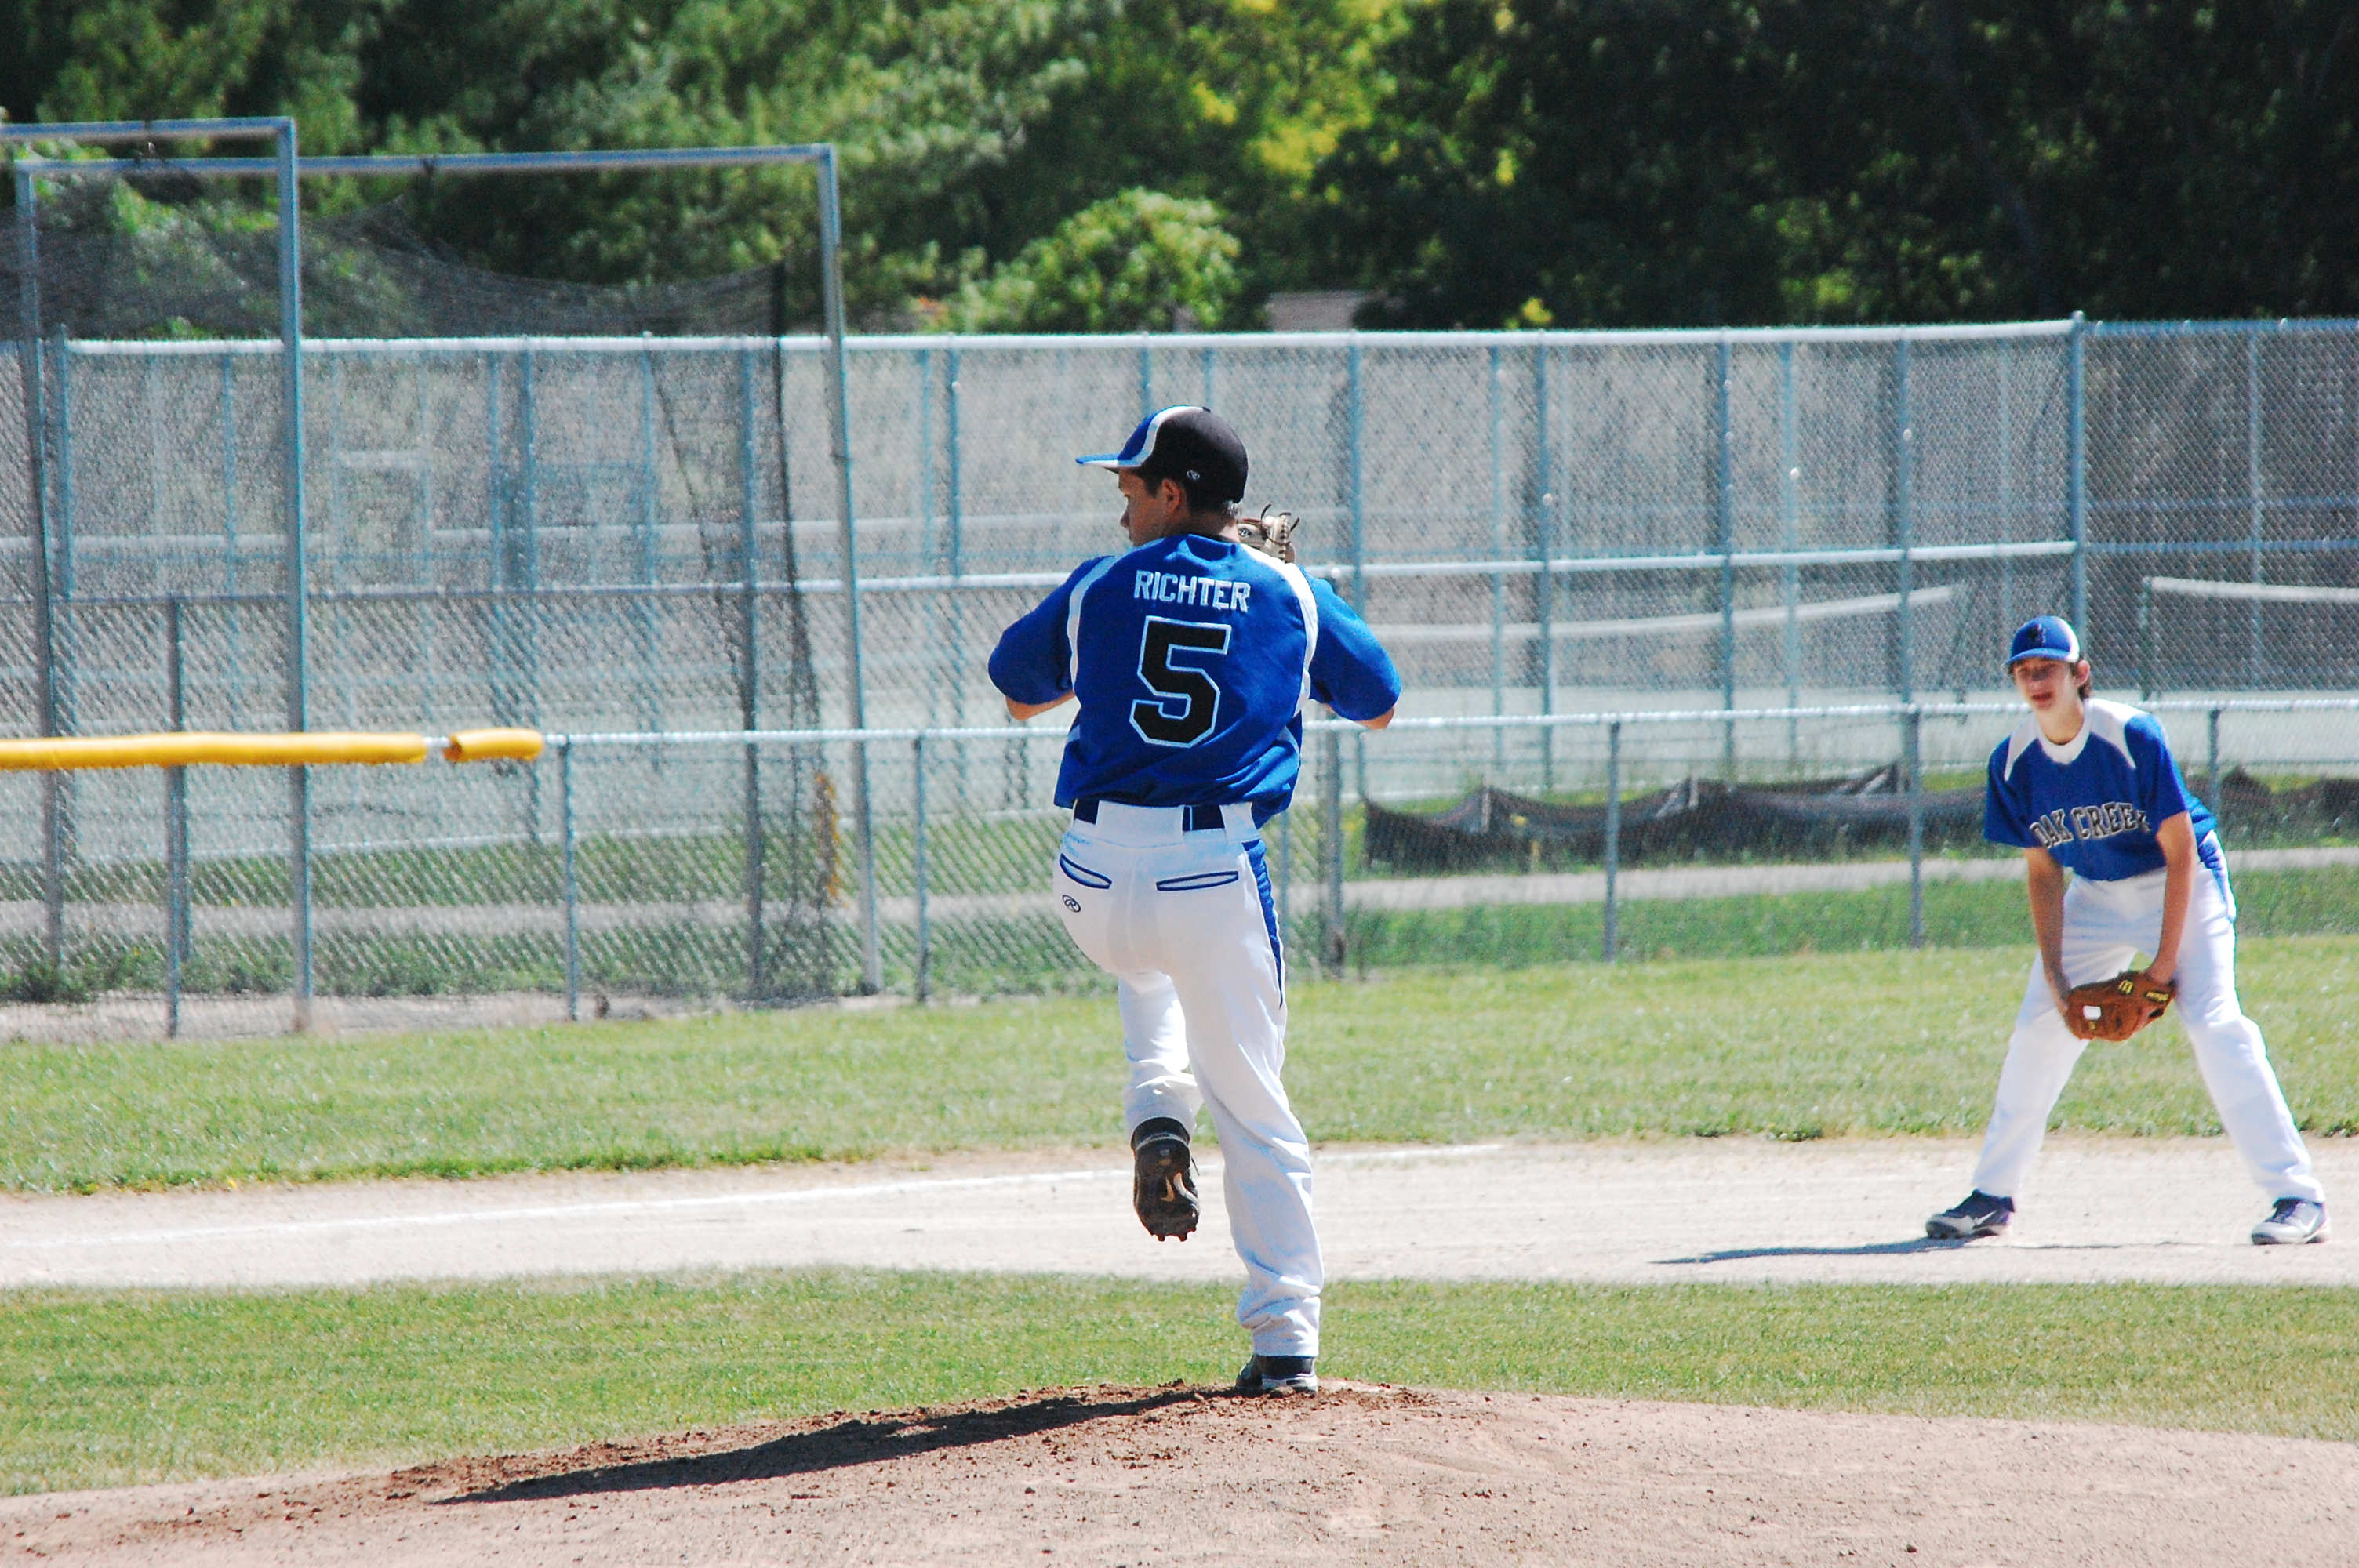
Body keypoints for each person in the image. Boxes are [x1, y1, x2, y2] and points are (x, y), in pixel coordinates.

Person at [987, 405, 1401, 1396]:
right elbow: (1379, 703)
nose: (1121, 509)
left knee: (1144, 966)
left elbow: (1019, 692)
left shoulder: (1100, 584)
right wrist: (1294, 596)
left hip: (1091, 877)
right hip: (1212, 873)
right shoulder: (1286, 590)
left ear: (1172, 494)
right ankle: (1285, 1338)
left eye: (1130, 489)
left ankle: (1154, 1112)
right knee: (1253, 1107)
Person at [1928, 615, 2328, 1245]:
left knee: (2215, 1023)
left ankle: (2298, 1197)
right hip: (2095, 892)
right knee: (2037, 1027)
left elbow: (2180, 851)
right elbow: (2043, 873)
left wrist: (2163, 967)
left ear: (2080, 674)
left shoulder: (2129, 735)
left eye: (2048, 668)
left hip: (2181, 877)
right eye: (2024, 671)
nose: (2036, 680)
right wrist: (2057, 977)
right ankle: (1992, 1196)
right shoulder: (2012, 762)